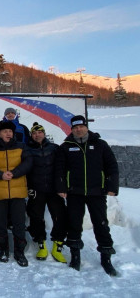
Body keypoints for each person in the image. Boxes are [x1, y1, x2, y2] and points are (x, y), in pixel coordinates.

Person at [54, 115, 119, 276]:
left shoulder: (100, 145)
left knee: (101, 223)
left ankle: (106, 257)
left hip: (97, 191)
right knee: (74, 224)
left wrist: (112, 186)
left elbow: (112, 166)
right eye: (75, 127)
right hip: (74, 192)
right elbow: (60, 169)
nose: (78, 129)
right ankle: (75, 256)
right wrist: (61, 187)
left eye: (81, 127)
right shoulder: (66, 146)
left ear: (86, 127)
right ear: (72, 129)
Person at [0, 120, 32, 267]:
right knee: (1, 223)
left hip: (18, 191)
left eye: (10, 131)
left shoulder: (22, 146)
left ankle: (19, 252)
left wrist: (15, 173)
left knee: (19, 224)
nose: (8, 133)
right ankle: (3, 250)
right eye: (5, 131)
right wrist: (0, 175)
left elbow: (28, 162)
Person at [26, 122, 67, 263]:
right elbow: (26, 171)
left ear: (44, 133)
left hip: (54, 189)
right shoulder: (28, 149)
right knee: (36, 217)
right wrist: (29, 187)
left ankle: (58, 245)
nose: (37, 135)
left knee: (59, 216)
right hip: (37, 189)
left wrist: (62, 186)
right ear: (31, 135)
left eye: (39, 132)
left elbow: (62, 168)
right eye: (34, 133)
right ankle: (41, 244)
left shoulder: (54, 148)